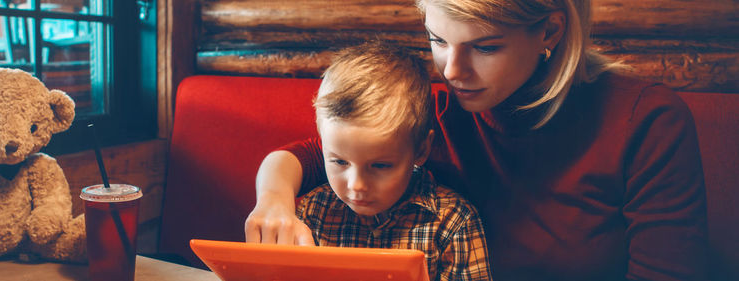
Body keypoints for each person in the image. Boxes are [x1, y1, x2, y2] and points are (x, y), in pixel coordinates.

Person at [245, 0, 708, 280]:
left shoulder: (646, 120)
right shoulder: (442, 112)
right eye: (437, 39)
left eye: (485, 47)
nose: (451, 70)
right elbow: (307, 156)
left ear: (549, 30)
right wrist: (273, 200)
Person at [296, 41, 492, 280]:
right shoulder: (313, 213)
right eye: (339, 162)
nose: (356, 185)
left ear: (421, 151)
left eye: (380, 165)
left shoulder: (453, 223)